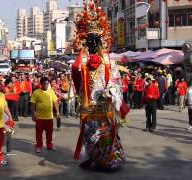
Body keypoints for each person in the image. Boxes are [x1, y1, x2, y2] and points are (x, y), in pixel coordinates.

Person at [72, 2, 128, 170]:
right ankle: (91, 158)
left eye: (96, 40)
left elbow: (115, 79)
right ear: (85, 42)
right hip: (89, 104)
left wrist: (109, 91)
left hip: (104, 102)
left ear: (101, 41)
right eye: (89, 40)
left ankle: (109, 160)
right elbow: (76, 76)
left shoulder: (109, 61)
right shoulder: (81, 61)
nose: (93, 43)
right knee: (89, 134)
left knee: (105, 134)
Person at [30, 77, 60, 153]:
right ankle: (39, 146)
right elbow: (33, 104)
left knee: (49, 132)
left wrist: (58, 112)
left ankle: (49, 145)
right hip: (39, 117)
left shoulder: (51, 91)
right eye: (44, 84)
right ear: (41, 84)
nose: (46, 85)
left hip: (49, 117)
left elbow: (55, 101)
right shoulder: (36, 92)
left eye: (47, 84)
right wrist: (33, 114)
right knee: (39, 133)